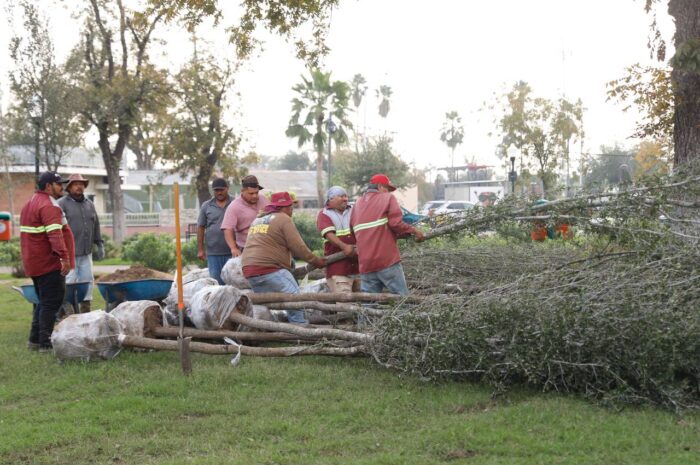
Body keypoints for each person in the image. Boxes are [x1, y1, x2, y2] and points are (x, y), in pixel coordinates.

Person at [242, 192, 326, 324]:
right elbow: (298, 246)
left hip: (249, 269)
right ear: (284, 207)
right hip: (269, 268)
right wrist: (316, 260)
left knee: (263, 303)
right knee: (294, 297)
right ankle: (299, 327)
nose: (292, 209)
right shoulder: (283, 218)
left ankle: (264, 327)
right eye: (290, 206)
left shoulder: (257, 220)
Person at [20, 171, 75, 351]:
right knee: (51, 303)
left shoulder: (30, 204)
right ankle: (45, 343)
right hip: (48, 263)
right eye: (59, 184)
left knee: (44, 302)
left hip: (34, 263)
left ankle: (34, 341)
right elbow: (55, 236)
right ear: (48, 186)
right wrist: (64, 259)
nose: (62, 187)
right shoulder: (49, 206)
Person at [350, 174, 424, 296]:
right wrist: (414, 231)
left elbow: (353, 231)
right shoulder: (388, 198)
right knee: (402, 299)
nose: (389, 192)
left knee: (368, 304)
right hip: (386, 260)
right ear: (380, 187)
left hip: (366, 264)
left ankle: (365, 316)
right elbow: (396, 224)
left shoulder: (357, 204)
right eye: (387, 189)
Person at [58, 173, 103, 313]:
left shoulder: (89, 204)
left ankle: (85, 309)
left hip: (86, 251)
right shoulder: (61, 204)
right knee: (69, 281)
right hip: (68, 253)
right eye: (76, 184)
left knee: (87, 280)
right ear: (69, 187)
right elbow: (56, 229)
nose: (79, 187)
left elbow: (95, 224)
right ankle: (67, 309)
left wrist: (99, 242)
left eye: (81, 184)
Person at [316, 186, 359, 293]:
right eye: (341, 196)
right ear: (331, 199)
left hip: (358, 267)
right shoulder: (324, 214)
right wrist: (345, 247)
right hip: (338, 269)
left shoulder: (353, 210)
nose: (345, 199)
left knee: (362, 303)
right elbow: (329, 234)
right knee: (344, 305)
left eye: (346, 196)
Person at [197, 178, 234, 284]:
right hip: (213, 253)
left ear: (227, 188)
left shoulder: (235, 203)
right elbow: (200, 227)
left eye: (221, 190)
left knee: (233, 283)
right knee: (216, 283)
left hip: (232, 252)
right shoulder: (206, 206)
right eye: (216, 190)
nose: (219, 192)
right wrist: (200, 249)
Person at [221, 175, 268, 257]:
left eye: (256, 192)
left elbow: (274, 216)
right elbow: (227, 228)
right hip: (246, 248)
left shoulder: (264, 199)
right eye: (251, 193)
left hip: (265, 246)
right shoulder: (234, 206)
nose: (255, 196)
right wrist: (233, 248)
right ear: (242, 191)